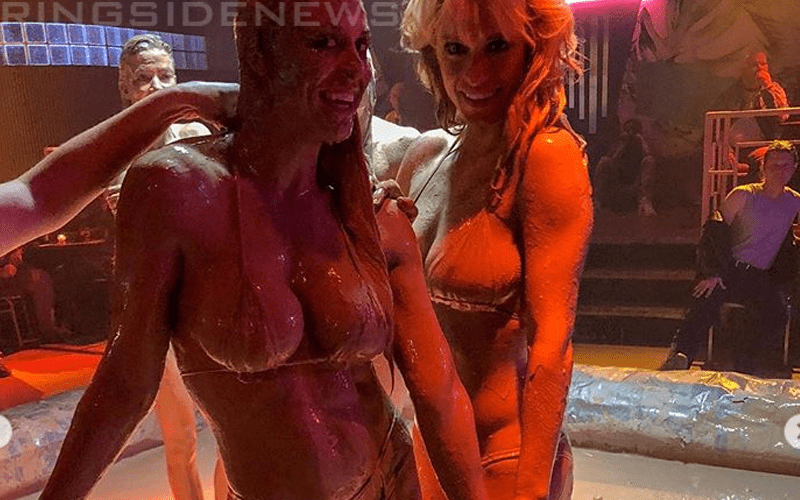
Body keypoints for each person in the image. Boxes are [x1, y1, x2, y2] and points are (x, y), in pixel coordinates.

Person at [38, 2, 489, 500]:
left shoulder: (372, 212)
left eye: (360, 45)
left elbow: (439, 391)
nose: (356, 69)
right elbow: (125, 384)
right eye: (323, 43)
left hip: (393, 481)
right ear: (257, 51)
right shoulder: (178, 191)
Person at [398, 1, 592, 499]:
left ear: (534, 50)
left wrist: (531, 491)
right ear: (432, 53)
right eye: (455, 49)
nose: (475, 74)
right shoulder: (425, 157)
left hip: (506, 457)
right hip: (425, 449)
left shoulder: (545, 156)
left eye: (497, 47)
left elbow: (553, 342)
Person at [107, 33, 227, 500]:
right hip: (151, 307)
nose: (157, 86)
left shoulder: (201, 138)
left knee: (229, 429)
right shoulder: (114, 149)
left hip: (206, 298)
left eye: (166, 75)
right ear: (126, 88)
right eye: (144, 78)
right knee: (180, 435)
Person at [660, 140, 800, 373]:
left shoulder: (794, 201)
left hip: (760, 275)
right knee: (706, 296)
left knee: (777, 313)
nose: (780, 171)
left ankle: (745, 366)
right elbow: (713, 231)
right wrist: (712, 271)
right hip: (730, 268)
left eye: (786, 166)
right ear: (763, 167)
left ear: (794, 168)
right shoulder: (744, 195)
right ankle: (680, 356)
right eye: (774, 165)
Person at [593, 118, 658, 216]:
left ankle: (645, 202)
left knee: (650, 160)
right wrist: (622, 145)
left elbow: (649, 155)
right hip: (618, 180)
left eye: (633, 130)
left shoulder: (642, 143)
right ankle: (597, 202)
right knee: (604, 161)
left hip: (636, 181)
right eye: (628, 130)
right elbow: (611, 160)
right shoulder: (618, 143)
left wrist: (641, 140)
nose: (630, 134)